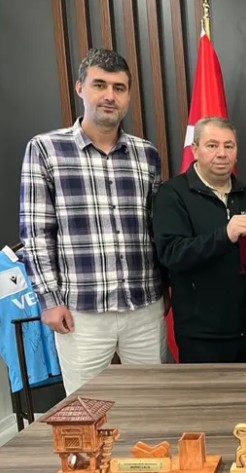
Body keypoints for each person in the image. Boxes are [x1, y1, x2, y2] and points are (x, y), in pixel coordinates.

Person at [19, 49, 168, 395]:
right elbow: (37, 233)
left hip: (144, 306)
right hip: (81, 312)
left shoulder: (146, 154)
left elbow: (157, 228)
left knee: (154, 400)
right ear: (80, 88)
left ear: (128, 95)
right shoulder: (45, 149)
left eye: (119, 88)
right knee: (86, 407)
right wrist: (49, 300)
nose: (109, 96)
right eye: (100, 85)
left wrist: (166, 287)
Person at [152, 117, 246, 363]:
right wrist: (224, 236)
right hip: (201, 336)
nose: (222, 153)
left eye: (229, 146)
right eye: (212, 145)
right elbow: (171, 254)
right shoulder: (172, 194)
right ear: (195, 149)